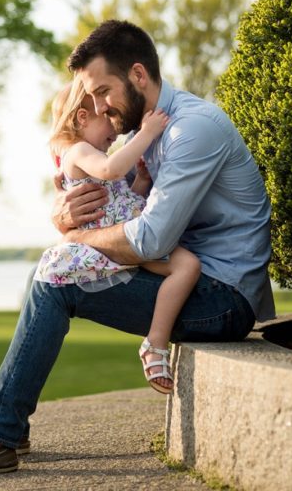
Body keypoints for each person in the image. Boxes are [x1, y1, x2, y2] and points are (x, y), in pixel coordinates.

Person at [0, 20, 273, 480]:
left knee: (57, 283)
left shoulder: (190, 132)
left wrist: (74, 238)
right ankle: (8, 425)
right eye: (91, 97)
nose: (97, 106)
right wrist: (65, 213)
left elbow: (149, 240)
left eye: (103, 91)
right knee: (50, 274)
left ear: (138, 76)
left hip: (221, 299)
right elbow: (117, 204)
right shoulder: (152, 132)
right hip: (189, 280)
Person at [35, 78, 201, 393]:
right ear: (82, 118)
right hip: (117, 242)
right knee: (187, 267)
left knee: (187, 268)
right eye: (106, 118)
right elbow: (111, 169)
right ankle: (156, 342)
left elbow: (120, 199)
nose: (115, 127)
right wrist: (147, 134)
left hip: (126, 238)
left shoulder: (91, 152)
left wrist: (140, 179)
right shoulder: (78, 151)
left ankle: (155, 342)